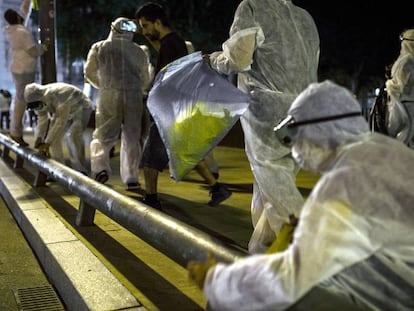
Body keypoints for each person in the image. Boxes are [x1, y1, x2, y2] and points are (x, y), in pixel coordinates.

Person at [188, 80, 414, 311]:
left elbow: (290, 277)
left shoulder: (343, 181)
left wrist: (216, 281)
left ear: (318, 130)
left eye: (294, 134)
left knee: (266, 297)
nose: (293, 147)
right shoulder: (382, 150)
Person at [205, 0, 320, 253]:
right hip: (304, 109)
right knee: (275, 180)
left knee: (273, 178)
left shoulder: (253, 7)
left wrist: (213, 60)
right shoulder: (305, 17)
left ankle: (308, 249)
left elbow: (238, 59)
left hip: (268, 109)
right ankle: (262, 247)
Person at [135, 2, 231, 210]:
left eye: (145, 26)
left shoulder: (170, 45)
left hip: (167, 110)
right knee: (183, 152)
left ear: (157, 23)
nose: (143, 31)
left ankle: (151, 199)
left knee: (150, 158)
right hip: (178, 108)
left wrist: (156, 102)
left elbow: (169, 79)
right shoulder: (174, 42)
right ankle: (217, 188)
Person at [84, 17, 150, 190]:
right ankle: (131, 178)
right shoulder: (139, 50)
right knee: (132, 137)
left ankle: (100, 169)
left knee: (103, 134)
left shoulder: (99, 47)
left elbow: (89, 72)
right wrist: (138, 89)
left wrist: (103, 85)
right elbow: (146, 76)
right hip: (133, 96)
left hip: (109, 95)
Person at [3, 0, 47, 146]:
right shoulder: (21, 32)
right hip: (24, 70)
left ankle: (23, 131)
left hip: (18, 69)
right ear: (16, 18)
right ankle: (16, 133)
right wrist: (43, 47)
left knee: (21, 99)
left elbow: (24, 12)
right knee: (22, 101)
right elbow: (33, 50)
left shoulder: (12, 28)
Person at [24, 82, 93, 174]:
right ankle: (59, 170)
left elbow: (60, 123)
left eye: (37, 105)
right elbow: (42, 120)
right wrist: (39, 138)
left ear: (41, 97)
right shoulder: (39, 100)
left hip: (82, 108)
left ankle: (80, 170)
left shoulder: (59, 95)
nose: (37, 108)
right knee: (54, 140)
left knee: (74, 135)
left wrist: (47, 143)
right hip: (64, 111)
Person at [384, 29, 414, 148]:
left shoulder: (406, 61)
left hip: (405, 106)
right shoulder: (406, 61)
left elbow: (399, 86)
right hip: (406, 106)